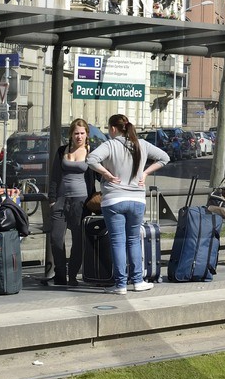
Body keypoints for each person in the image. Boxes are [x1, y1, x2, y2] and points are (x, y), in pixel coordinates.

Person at [86, 114, 168, 294]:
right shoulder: (142, 144)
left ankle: (121, 284)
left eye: (109, 128)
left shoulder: (110, 144)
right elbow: (164, 158)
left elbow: (91, 159)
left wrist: (106, 174)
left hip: (114, 200)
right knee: (133, 240)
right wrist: (145, 173)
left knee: (118, 242)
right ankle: (138, 281)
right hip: (137, 200)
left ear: (113, 129)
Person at [45, 119, 95, 286]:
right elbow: (54, 176)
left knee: (78, 241)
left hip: (81, 202)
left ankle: (72, 275)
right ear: (71, 135)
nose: (79, 136)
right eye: (76, 133)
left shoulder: (91, 152)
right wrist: (52, 200)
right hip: (60, 200)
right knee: (56, 238)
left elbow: (102, 173)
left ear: (87, 134)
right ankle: (60, 275)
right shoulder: (62, 151)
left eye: (82, 133)